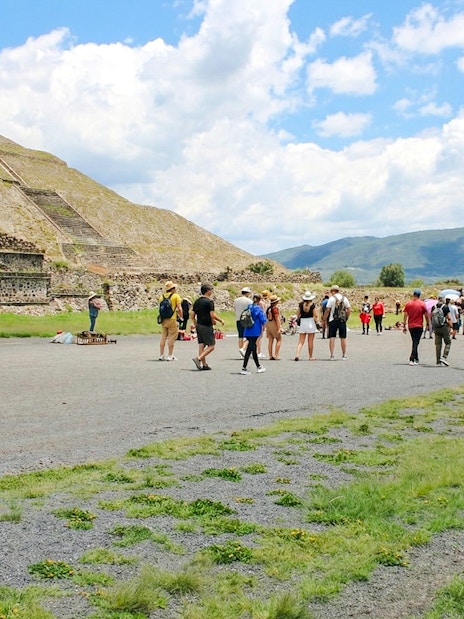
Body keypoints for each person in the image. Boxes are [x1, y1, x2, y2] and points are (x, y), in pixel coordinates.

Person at [191, 283, 224, 370]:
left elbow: (192, 314)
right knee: (211, 345)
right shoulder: (209, 302)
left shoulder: (197, 301)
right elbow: (212, 314)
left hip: (199, 324)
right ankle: (198, 359)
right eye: (211, 290)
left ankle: (204, 364)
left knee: (201, 344)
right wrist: (220, 320)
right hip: (206, 325)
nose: (212, 292)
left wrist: (195, 323)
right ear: (207, 291)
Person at [322, 285, 351, 360]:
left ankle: (332, 355)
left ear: (333, 291)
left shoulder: (331, 299)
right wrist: (346, 318)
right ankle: (344, 355)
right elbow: (349, 309)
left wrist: (324, 318)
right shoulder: (344, 298)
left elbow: (328, 309)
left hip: (333, 319)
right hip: (342, 320)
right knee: (343, 338)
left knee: (332, 337)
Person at [240, 293, 267, 374]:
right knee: (250, 349)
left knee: (253, 348)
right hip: (255, 331)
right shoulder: (258, 308)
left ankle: (258, 366)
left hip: (247, 330)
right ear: (259, 300)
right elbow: (263, 319)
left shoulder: (249, 307)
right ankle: (244, 368)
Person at [403, 288, 429, 366]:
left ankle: (416, 358)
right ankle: (412, 358)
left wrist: (404, 325)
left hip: (411, 325)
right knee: (416, 342)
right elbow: (426, 315)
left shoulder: (408, 304)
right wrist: (428, 323)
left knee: (415, 341)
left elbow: (405, 315)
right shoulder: (422, 304)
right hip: (419, 325)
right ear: (419, 295)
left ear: (413, 295)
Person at [159, 281, 183, 361]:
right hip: (172, 319)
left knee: (163, 337)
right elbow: (179, 308)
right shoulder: (176, 296)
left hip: (163, 319)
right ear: (173, 288)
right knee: (172, 337)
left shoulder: (161, 297)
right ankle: (170, 355)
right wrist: (181, 317)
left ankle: (161, 355)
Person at [294, 291, 318, 360]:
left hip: (303, 322)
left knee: (301, 341)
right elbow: (316, 315)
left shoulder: (301, 305)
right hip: (310, 322)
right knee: (310, 341)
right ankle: (310, 356)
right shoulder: (312, 305)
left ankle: (297, 354)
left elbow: (297, 314)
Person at [431, 297, 452, 366]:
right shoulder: (445, 307)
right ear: (443, 300)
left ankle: (438, 361)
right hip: (444, 327)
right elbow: (449, 318)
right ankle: (444, 357)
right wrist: (451, 327)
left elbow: (432, 317)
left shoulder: (433, 307)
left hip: (436, 327)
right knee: (448, 342)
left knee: (438, 344)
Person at [233, 286, 252, 358]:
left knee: (240, 336)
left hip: (238, 319)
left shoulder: (236, 300)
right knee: (248, 336)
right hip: (246, 319)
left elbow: (235, 309)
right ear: (247, 293)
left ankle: (241, 350)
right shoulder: (249, 301)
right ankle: (244, 350)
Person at [265, 294, 282, 360]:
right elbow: (277, 319)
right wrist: (279, 328)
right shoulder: (275, 309)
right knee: (279, 339)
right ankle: (276, 354)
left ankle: (270, 355)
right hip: (274, 324)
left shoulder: (268, 309)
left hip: (268, 324)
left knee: (270, 340)